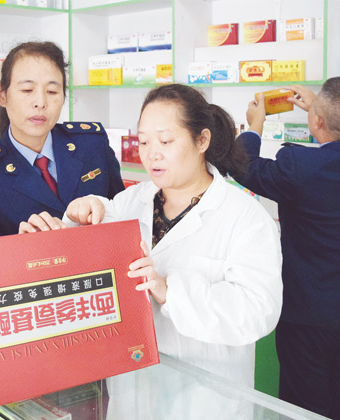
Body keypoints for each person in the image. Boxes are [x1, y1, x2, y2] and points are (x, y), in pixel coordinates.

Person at [21, 84, 282, 417]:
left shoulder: (245, 217)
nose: (151, 154)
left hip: (205, 402)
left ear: (202, 140)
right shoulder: (132, 202)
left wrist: (170, 290)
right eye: (144, 142)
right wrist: (63, 229)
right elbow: (94, 238)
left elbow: (258, 312)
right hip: (132, 396)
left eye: (166, 141)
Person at [236, 78, 340, 419]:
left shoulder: (301, 167)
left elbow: (245, 167)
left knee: (306, 408)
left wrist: (254, 125)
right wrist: (321, 112)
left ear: (316, 122)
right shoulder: (305, 165)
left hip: (309, 317)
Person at [0, 41, 124, 240]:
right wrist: (23, 246)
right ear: (2, 95)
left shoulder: (92, 144)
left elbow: (124, 215)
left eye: (52, 92)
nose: (41, 103)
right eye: (27, 90)